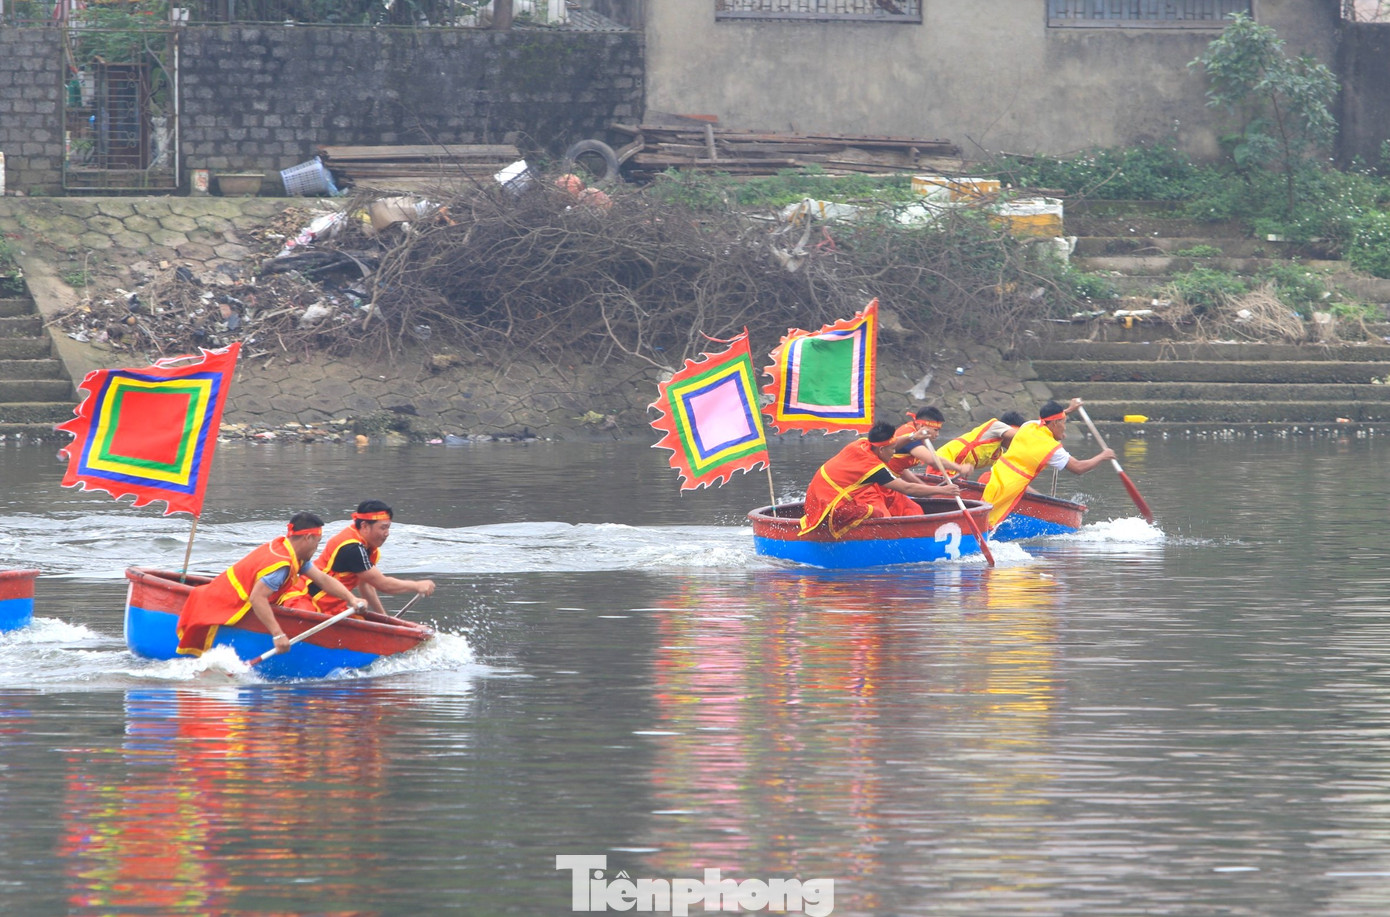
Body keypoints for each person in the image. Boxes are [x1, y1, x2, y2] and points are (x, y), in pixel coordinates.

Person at [175, 512, 365, 657]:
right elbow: (257, 598)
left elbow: (322, 579)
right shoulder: (281, 565)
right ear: (307, 538)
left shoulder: (290, 551)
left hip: (218, 597)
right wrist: (278, 634)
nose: (317, 548)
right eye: (317, 542)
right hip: (219, 605)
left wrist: (351, 599)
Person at [799, 421, 961, 538]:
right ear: (882, 449)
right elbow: (907, 488)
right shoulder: (873, 468)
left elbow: (894, 443)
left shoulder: (862, 444)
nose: (894, 453)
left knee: (904, 508)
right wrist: (942, 490)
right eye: (892, 450)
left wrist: (913, 436)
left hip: (822, 493)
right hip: (829, 503)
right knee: (878, 514)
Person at [284, 499, 436, 616]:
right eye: (383, 528)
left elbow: (366, 585)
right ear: (364, 526)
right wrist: (416, 585)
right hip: (304, 601)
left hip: (331, 606)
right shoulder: (352, 548)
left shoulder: (369, 548)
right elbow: (383, 585)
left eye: (388, 527)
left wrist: (384, 617)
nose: (387, 533)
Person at [981, 399, 1114, 530]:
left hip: (991, 479)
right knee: (988, 523)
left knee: (982, 520)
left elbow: (1049, 420)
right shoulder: (1051, 448)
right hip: (1007, 489)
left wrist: (1068, 410)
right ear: (1055, 423)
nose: (1065, 428)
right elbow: (1078, 468)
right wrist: (1103, 456)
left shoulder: (1028, 426)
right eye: (1064, 423)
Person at [885, 406, 974, 480]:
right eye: (935, 430)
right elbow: (932, 460)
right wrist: (959, 468)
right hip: (882, 481)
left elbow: (899, 467)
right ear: (922, 426)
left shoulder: (914, 428)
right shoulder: (910, 436)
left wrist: (921, 485)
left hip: (891, 477)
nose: (937, 434)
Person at [936, 410, 1028, 481]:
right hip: (941, 463)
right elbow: (1023, 436)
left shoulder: (998, 454)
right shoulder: (996, 425)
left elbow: (1010, 475)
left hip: (955, 474)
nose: (1016, 442)